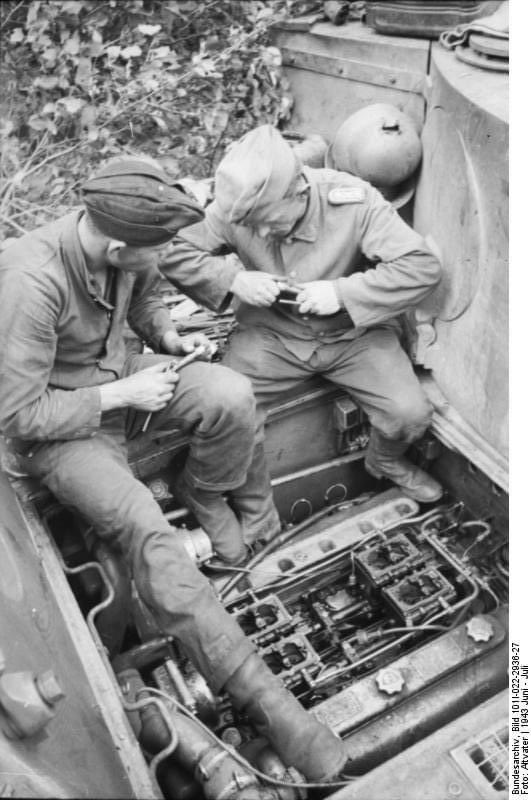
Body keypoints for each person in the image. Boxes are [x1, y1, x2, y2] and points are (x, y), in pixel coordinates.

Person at [0, 156, 347, 782]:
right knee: (146, 529)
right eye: (155, 247)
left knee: (232, 395)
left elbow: (148, 299)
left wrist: (169, 337)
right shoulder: (30, 282)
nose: (166, 253)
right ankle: (265, 700)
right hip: (62, 429)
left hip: (125, 384)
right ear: (113, 243)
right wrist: (119, 398)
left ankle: (208, 497)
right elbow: (19, 415)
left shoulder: (127, 247)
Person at [162, 124, 444, 513]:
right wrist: (235, 278)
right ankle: (255, 507)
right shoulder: (239, 210)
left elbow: (421, 267)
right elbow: (173, 250)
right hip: (271, 336)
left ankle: (385, 461)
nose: (259, 233)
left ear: (299, 190)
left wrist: (342, 294)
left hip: (354, 336)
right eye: (250, 226)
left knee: (409, 414)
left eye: (269, 222)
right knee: (232, 413)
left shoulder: (353, 202)